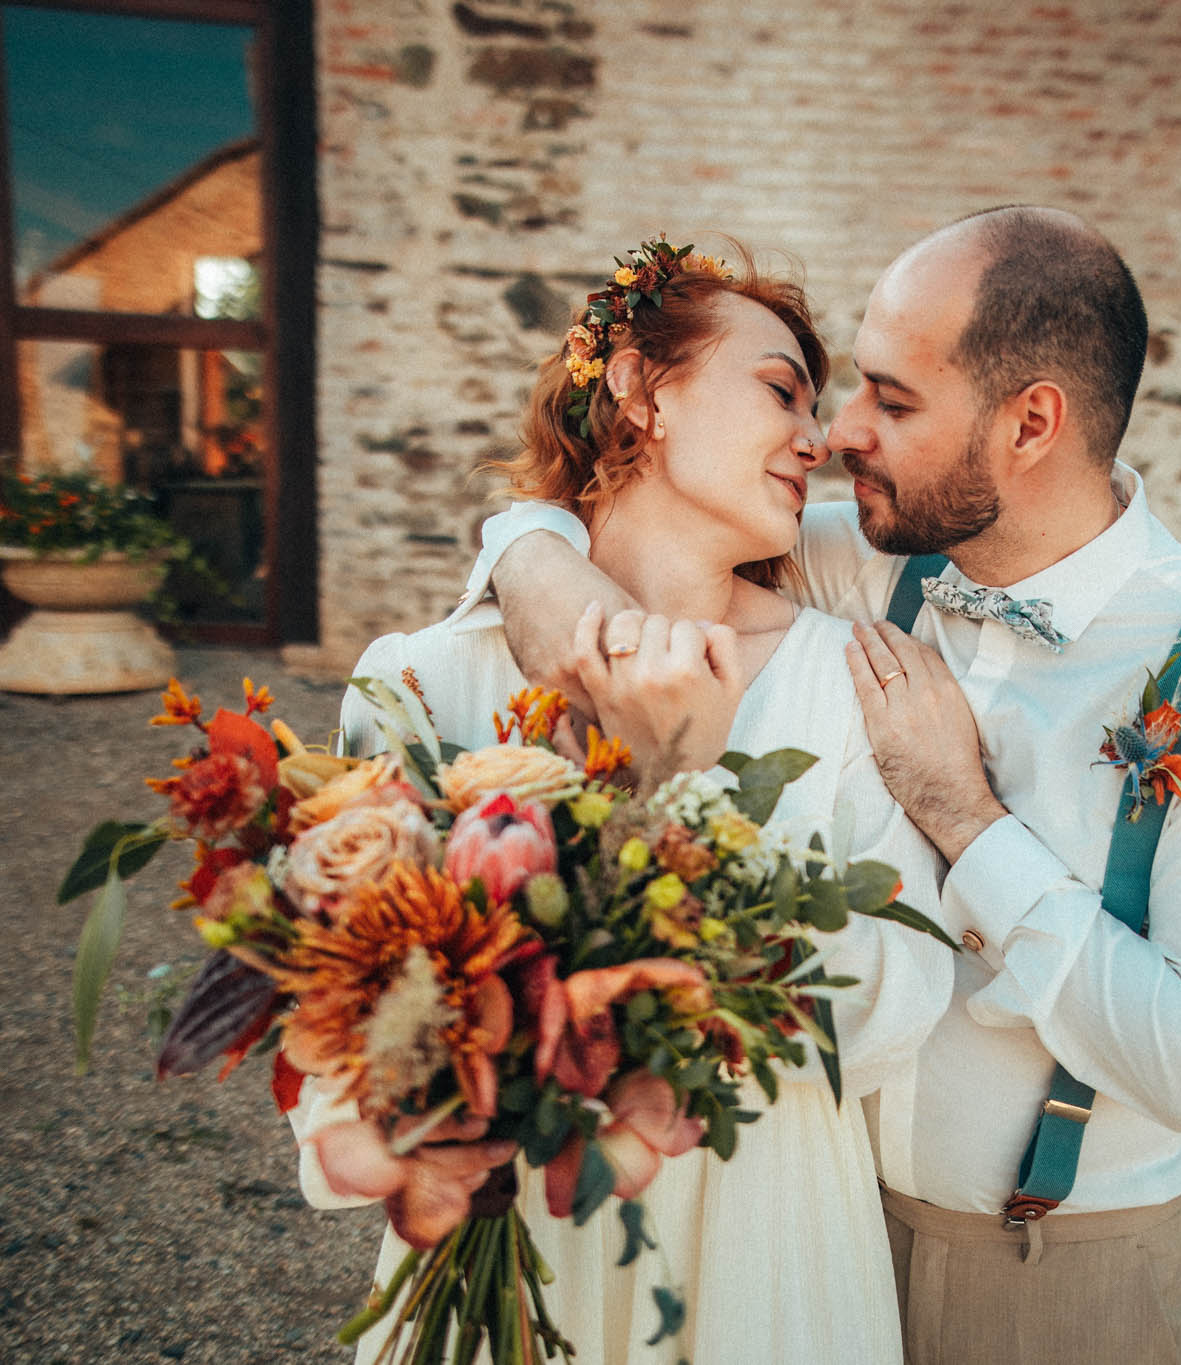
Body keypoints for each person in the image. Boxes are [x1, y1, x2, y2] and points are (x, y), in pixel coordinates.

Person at [469, 206, 1181, 1364]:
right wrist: (537, 566)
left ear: (1031, 422)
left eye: (893, 400)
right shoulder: (867, 557)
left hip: (1059, 1276)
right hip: (806, 1239)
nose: (838, 435)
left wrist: (966, 821)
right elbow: (602, 522)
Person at [286, 240, 953, 1364]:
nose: (816, 440)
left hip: (759, 1228)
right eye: (780, 390)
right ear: (640, 389)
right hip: (518, 1229)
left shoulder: (850, 678)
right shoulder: (424, 678)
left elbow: (893, 1004)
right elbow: (332, 1010)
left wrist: (683, 782)